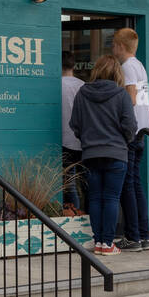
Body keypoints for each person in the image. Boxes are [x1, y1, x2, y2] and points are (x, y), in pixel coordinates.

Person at [69, 54, 137, 255]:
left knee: (95, 198)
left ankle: (99, 242)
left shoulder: (82, 93)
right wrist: (125, 141)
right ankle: (108, 243)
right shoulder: (121, 94)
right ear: (117, 72)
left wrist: (87, 140)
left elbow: (75, 124)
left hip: (90, 154)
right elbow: (130, 126)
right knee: (111, 198)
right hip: (116, 153)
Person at [111, 27, 149, 252]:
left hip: (131, 133)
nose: (112, 49)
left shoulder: (126, 67)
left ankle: (132, 237)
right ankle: (143, 236)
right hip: (143, 130)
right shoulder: (139, 65)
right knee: (136, 184)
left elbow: (131, 99)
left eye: (113, 44)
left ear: (120, 46)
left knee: (128, 184)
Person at [59, 51, 86, 212]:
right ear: (74, 66)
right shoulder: (83, 85)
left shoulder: (57, 86)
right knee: (86, 184)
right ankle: (87, 218)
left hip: (64, 139)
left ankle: (73, 215)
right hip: (83, 141)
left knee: (68, 185)